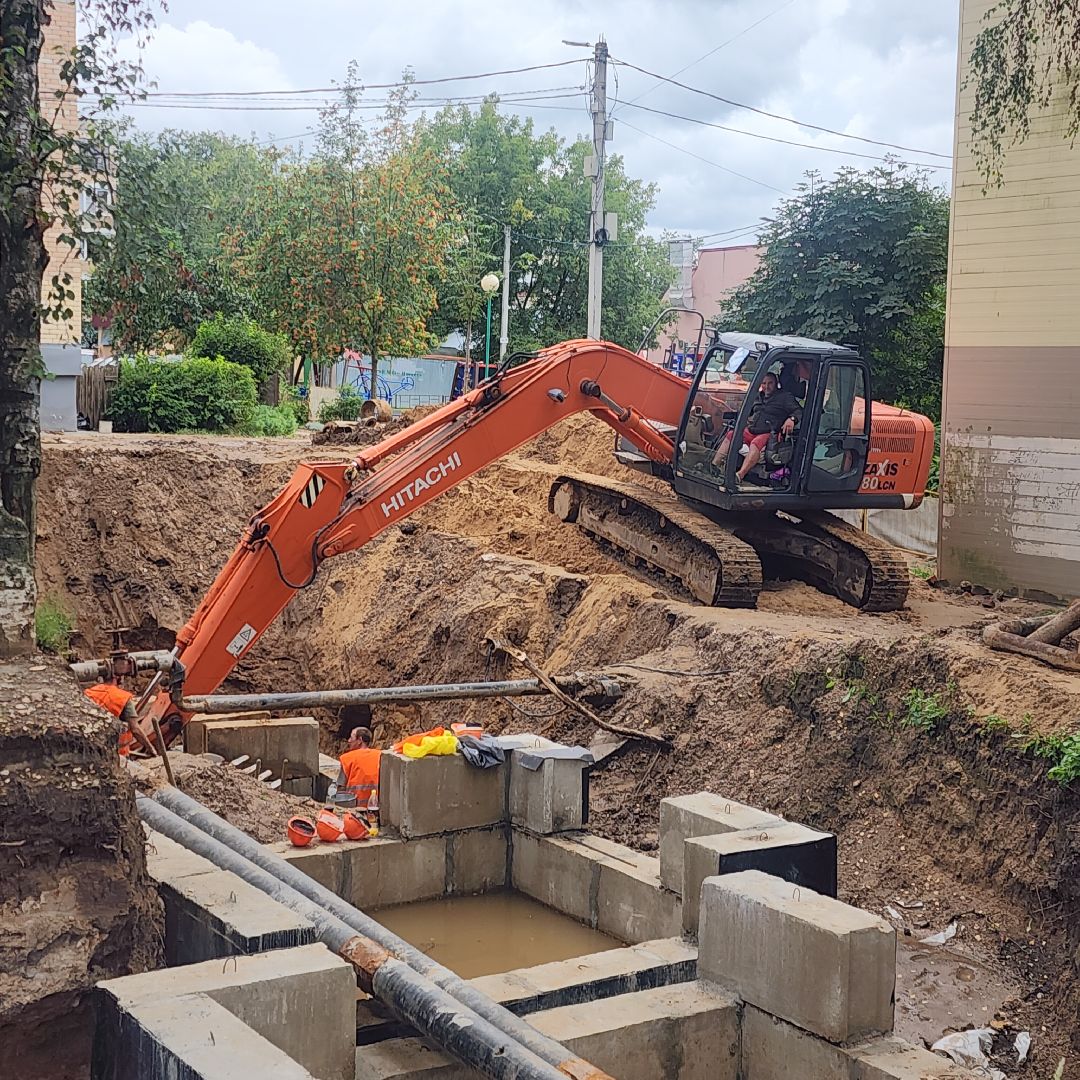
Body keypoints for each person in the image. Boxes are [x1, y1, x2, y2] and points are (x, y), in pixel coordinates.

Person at [712, 372, 801, 484]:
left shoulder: (784, 397)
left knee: (756, 443)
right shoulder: (757, 397)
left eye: (770, 383)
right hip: (751, 429)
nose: (767, 386)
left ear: (776, 383)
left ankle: (739, 476)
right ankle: (714, 466)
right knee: (731, 435)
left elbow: (798, 411)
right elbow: (745, 412)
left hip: (768, 432)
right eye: (764, 383)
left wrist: (792, 419)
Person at [84, 676, 138, 755]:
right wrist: (151, 749)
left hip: (92, 750)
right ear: (117, 678)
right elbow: (135, 729)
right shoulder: (123, 697)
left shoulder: (88, 693)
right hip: (118, 752)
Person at [336, 725, 381, 810]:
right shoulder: (380, 755)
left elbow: (340, 791)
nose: (349, 741)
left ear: (360, 740)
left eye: (351, 737)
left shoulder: (347, 759)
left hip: (355, 809)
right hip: (375, 808)